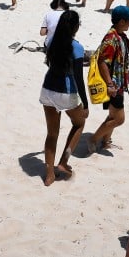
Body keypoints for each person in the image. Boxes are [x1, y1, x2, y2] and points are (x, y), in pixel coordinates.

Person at [38, 10, 88, 185]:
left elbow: (50, 64)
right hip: (66, 92)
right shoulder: (77, 47)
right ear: (75, 27)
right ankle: (63, 161)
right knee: (79, 123)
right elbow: (79, 78)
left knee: (52, 134)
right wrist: (85, 103)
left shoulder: (51, 40)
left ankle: (49, 175)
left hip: (48, 89)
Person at [88, 6, 129, 153]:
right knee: (119, 119)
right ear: (121, 21)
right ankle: (93, 139)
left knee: (113, 116)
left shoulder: (121, 35)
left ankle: (105, 142)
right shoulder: (111, 39)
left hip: (119, 83)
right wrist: (109, 84)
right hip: (113, 84)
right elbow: (102, 62)